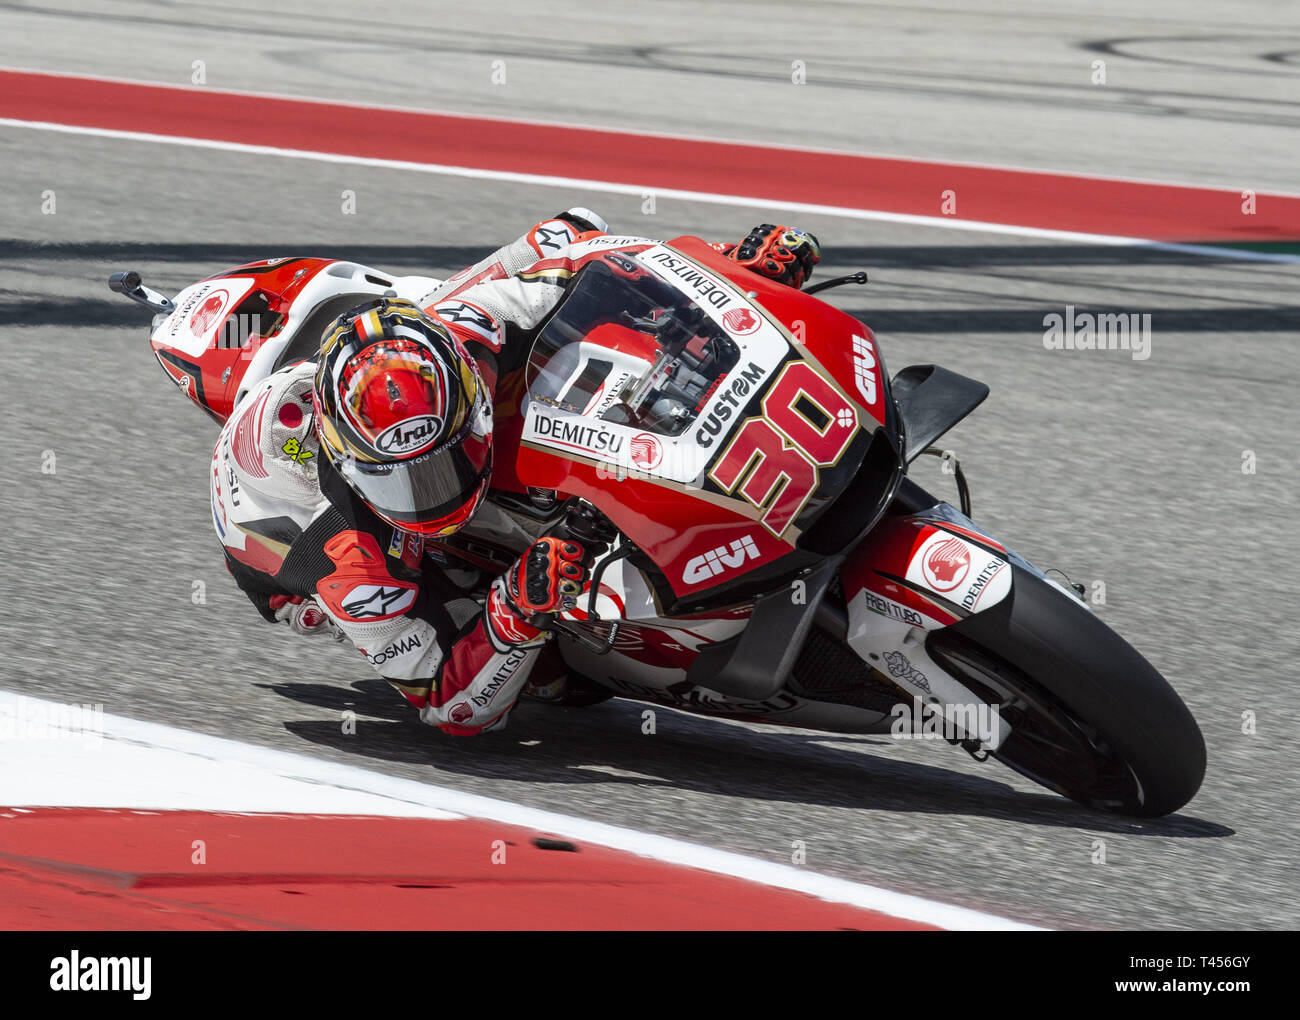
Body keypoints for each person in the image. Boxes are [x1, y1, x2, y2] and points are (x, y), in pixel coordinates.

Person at [211, 210, 820, 734]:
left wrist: (734, 263)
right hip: (281, 537)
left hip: (407, 343)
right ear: (353, 460)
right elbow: (449, 706)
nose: (436, 491)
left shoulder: (466, 325)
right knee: (556, 676)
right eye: (411, 479)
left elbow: (597, 251)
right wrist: (513, 611)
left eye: (445, 461)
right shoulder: (345, 557)